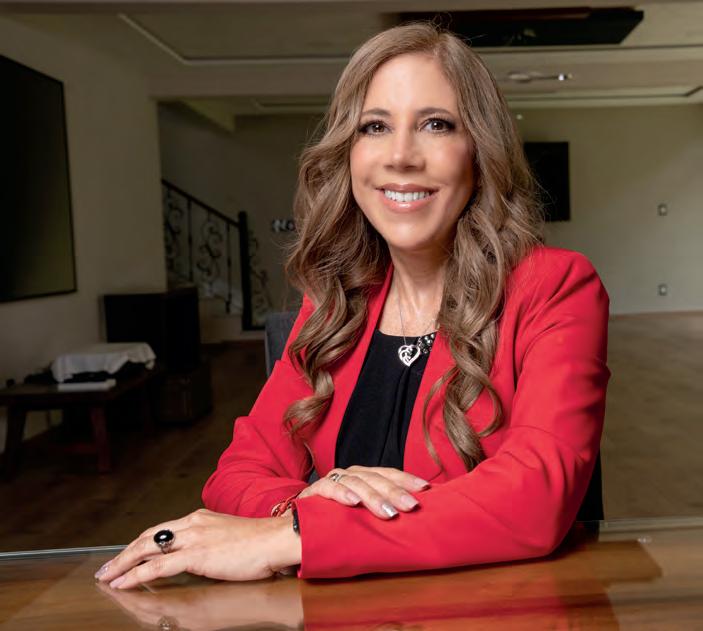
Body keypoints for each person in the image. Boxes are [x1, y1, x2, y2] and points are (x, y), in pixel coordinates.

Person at [95, 22, 610, 589]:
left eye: (436, 124)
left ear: (480, 151)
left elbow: (536, 497)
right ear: (349, 153)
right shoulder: (334, 304)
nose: (401, 156)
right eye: (375, 126)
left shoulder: (555, 286)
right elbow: (237, 474)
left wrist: (298, 533)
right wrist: (300, 505)